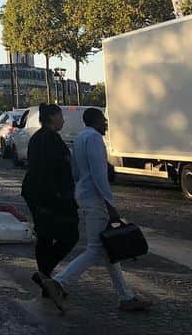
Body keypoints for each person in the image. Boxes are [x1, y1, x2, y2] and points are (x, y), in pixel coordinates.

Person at [39, 108, 152, 313]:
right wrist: (111, 205)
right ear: (95, 121)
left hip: (84, 194)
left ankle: (126, 297)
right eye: (103, 120)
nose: (106, 123)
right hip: (95, 198)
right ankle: (59, 282)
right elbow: (99, 175)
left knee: (107, 249)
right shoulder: (94, 139)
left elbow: (75, 170)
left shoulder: (81, 138)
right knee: (96, 248)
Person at [20, 104, 79, 292]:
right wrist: (61, 196)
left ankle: (46, 280)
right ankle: (45, 274)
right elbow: (53, 170)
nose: (63, 120)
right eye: (61, 117)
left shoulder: (38, 138)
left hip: (37, 193)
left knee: (45, 237)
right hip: (50, 196)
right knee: (69, 235)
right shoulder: (50, 139)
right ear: (52, 117)